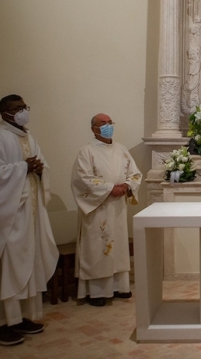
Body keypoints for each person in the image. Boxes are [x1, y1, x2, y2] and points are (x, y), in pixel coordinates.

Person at [0, 94, 59, 346]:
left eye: (24, 107)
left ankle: (19, 318)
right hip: (6, 219)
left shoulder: (29, 138)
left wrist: (41, 170)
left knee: (26, 265)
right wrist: (23, 168)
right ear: (4, 113)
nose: (22, 111)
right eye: (16, 108)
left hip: (27, 217)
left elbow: (42, 166)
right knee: (6, 267)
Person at [71, 113, 142, 306]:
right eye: (103, 123)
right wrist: (111, 188)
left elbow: (135, 173)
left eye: (110, 123)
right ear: (94, 129)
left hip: (117, 206)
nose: (108, 126)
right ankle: (96, 292)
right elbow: (82, 179)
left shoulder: (121, 149)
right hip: (98, 207)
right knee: (97, 247)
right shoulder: (86, 151)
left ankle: (120, 287)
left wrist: (127, 186)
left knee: (117, 246)